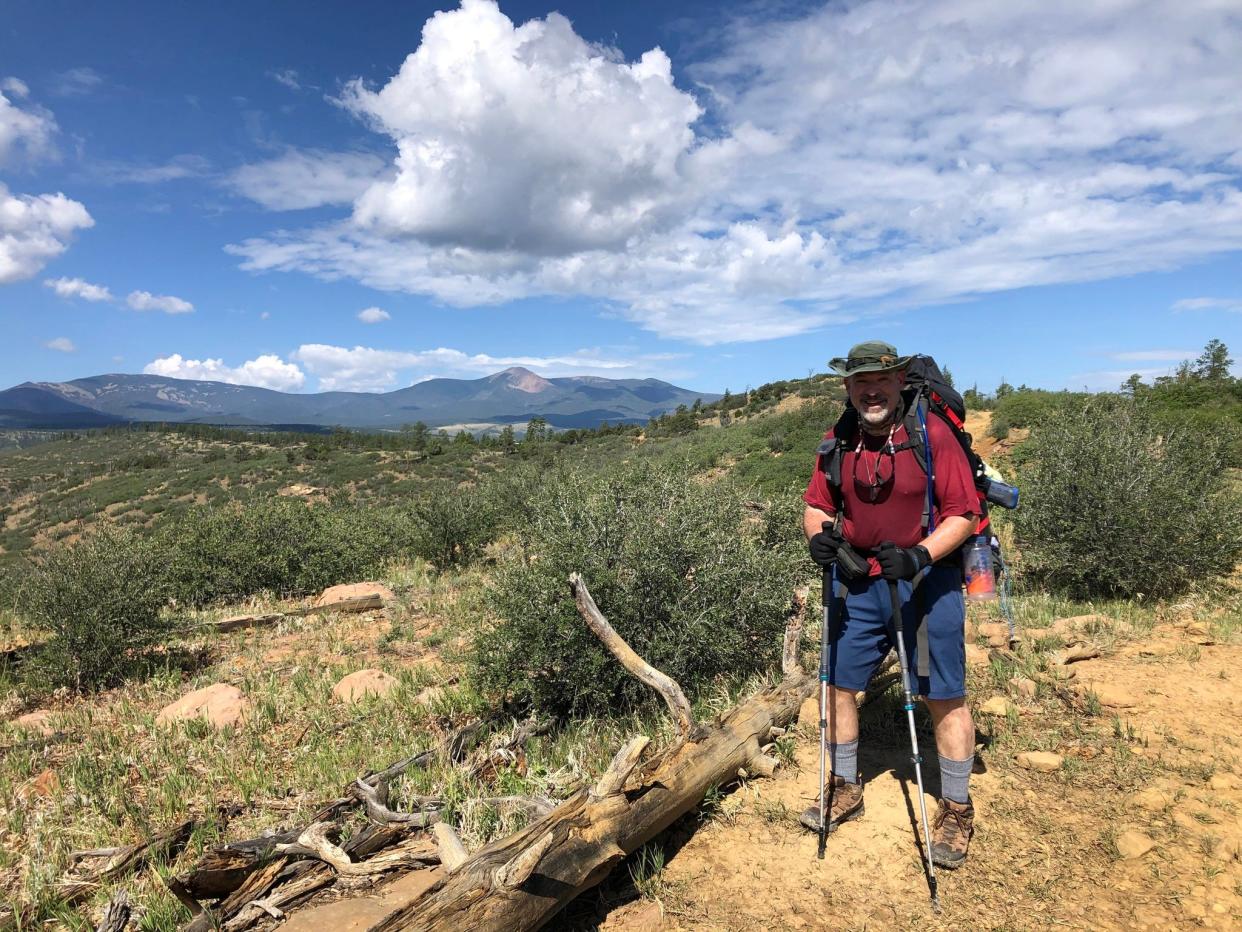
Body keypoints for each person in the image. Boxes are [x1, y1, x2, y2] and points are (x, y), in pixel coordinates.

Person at [799, 340, 980, 869]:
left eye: (880, 380)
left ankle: (955, 808)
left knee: (943, 696)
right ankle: (845, 787)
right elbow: (817, 504)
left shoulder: (933, 435)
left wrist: (920, 554)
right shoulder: (840, 438)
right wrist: (820, 538)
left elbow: (963, 513)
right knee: (837, 688)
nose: (870, 390)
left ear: (899, 381)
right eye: (860, 382)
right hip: (858, 583)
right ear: (848, 388)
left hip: (926, 585)